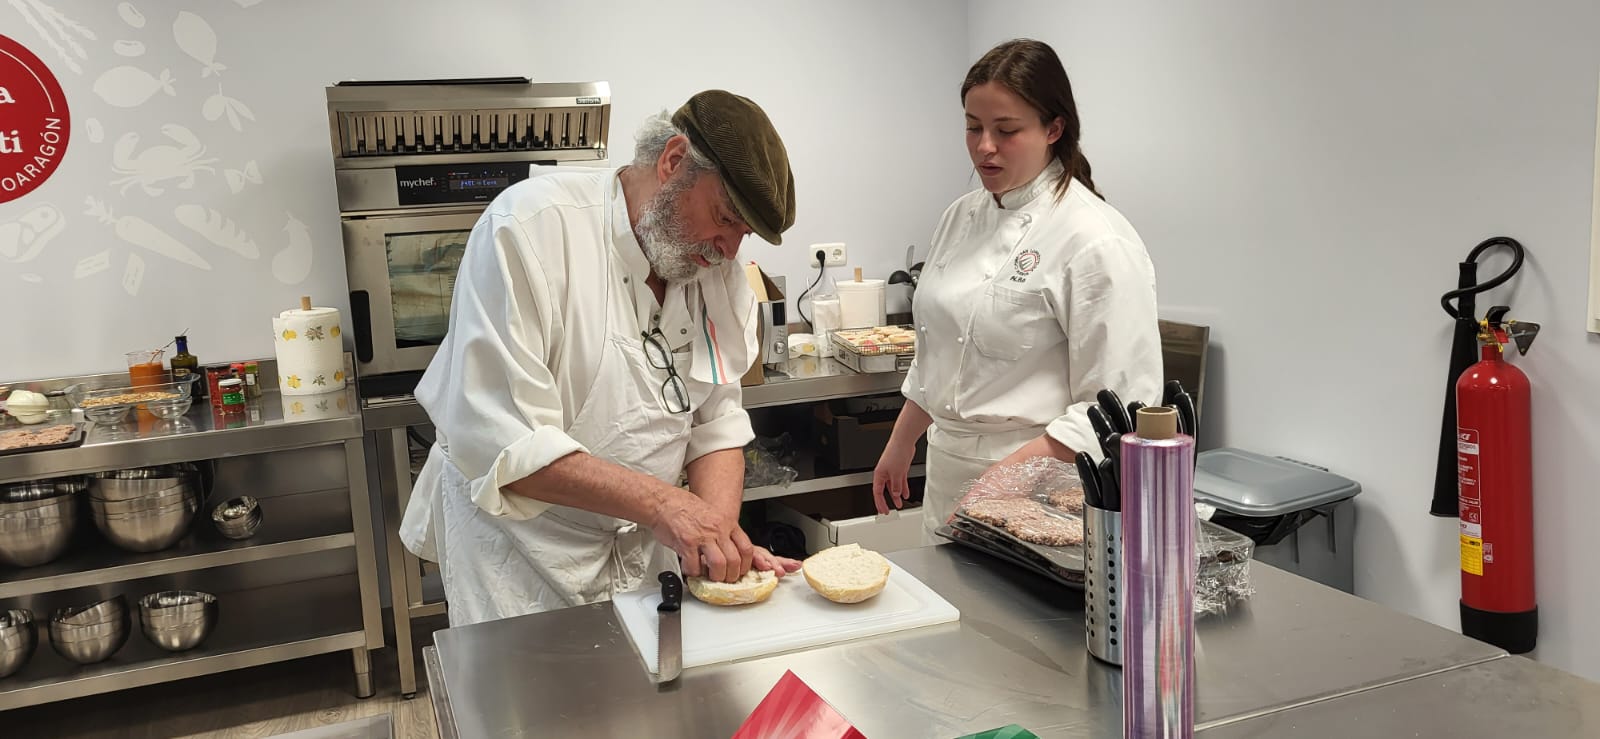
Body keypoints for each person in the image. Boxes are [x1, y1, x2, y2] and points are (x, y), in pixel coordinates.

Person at [400, 90, 803, 626]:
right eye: (724, 218)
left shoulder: (717, 276)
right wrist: (667, 507)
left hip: (643, 553)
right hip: (523, 560)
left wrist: (714, 538)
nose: (728, 251)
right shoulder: (531, 228)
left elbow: (716, 425)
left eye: (742, 234)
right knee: (528, 707)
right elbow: (507, 446)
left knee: (645, 701)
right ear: (674, 162)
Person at [871, 39, 1163, 542]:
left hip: (1044, 489)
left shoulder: (1094, 239)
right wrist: (901, 444)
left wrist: (1003, 481)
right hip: (948, 471)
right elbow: (940, 349)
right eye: (972, 126)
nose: (984, 146)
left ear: (1054, 128)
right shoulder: (960, 216)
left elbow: (1120, 405)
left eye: (1006, 130)